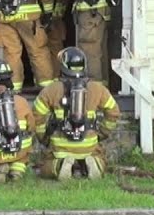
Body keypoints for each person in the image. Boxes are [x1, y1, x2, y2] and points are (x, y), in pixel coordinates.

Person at [33, 47, 120, 180]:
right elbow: (113, 112)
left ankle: (60, 166)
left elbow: (37, 115)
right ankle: (94, 163)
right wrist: (102, 133)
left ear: (63, 66)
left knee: (46, 167)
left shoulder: (51, 90)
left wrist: (43, 137)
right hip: (89, 144)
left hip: (60, 146)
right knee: (100, 157)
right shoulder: (98, 88)